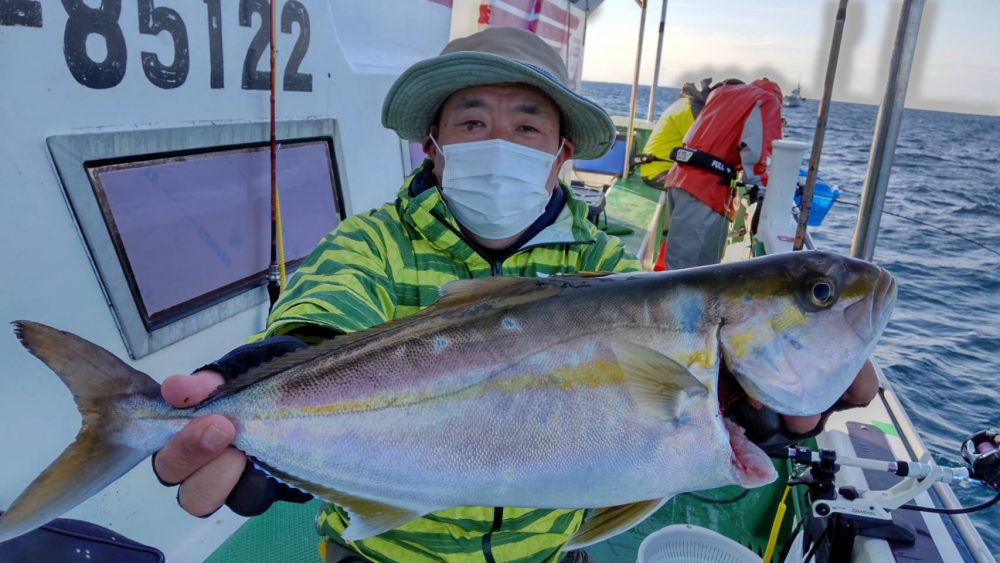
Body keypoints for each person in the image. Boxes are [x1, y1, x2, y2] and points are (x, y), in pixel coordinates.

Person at [151, 29, 874, 563]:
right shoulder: (372, 243)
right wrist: (254, 387)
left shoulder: (605, 267)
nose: (498, 140)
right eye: (472, 122)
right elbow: (322, 317)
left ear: (562, 154)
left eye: (527, 125)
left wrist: (745, 417)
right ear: (433, 146)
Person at [660, 78, 783, 270]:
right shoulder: (767, 100)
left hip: (679, 179)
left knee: (678, 262)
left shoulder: (723, 93)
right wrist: (764, 196)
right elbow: (760, 155)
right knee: (692, 272)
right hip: (705, 191)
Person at [636, 78, 712, 187]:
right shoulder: (690, 110)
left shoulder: (683, 104)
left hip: (656, 167)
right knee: (705, 186)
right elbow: (704, 146)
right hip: (658, 172)